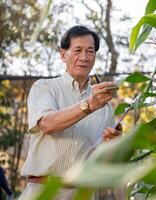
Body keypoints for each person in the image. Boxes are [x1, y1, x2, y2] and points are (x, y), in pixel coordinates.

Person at [19, 26, 121, 200]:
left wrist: (115, 143)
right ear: (62, 54)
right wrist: (89, 105)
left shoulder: (105, 107)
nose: (84, 57)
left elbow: (104, 161)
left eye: (90, 51)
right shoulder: (44, 87)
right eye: (77, 50)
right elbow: (48, 124)